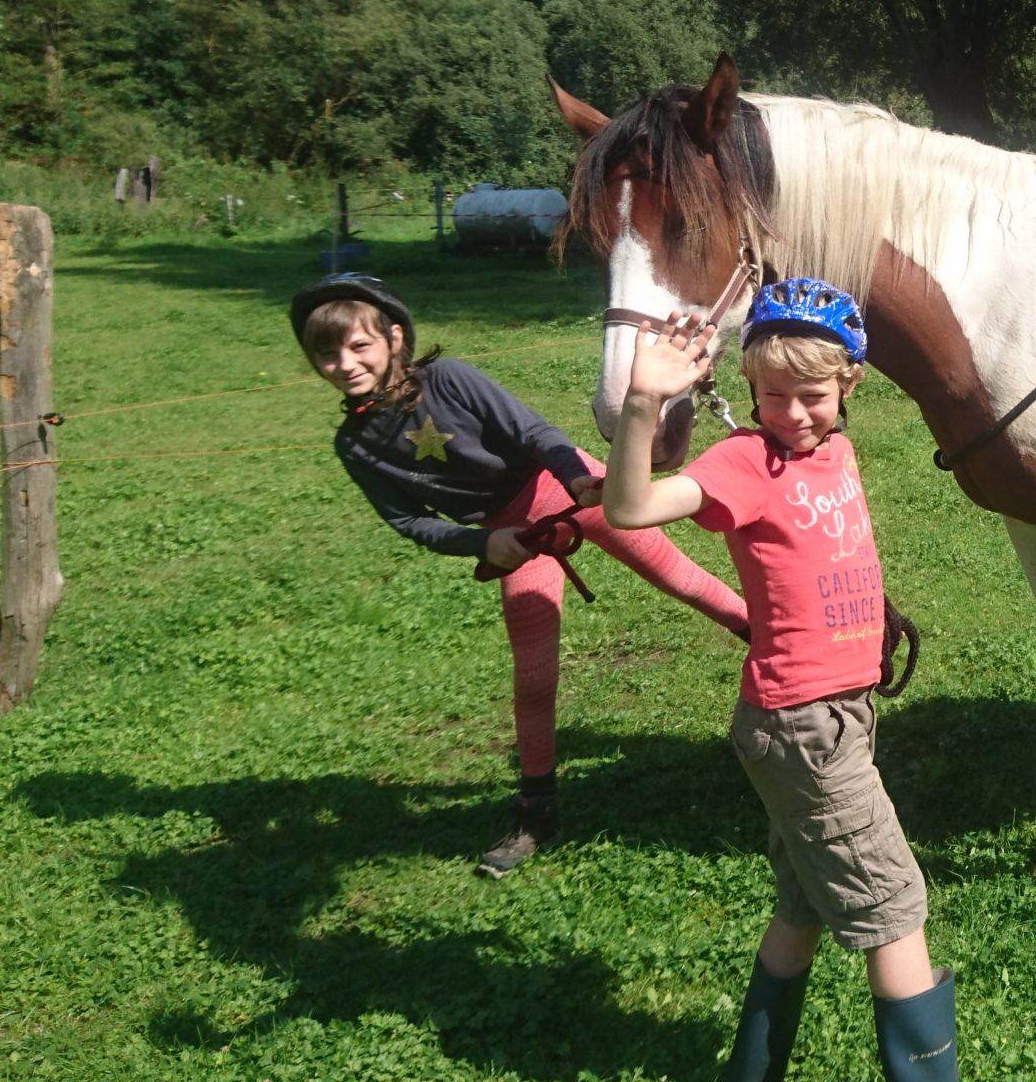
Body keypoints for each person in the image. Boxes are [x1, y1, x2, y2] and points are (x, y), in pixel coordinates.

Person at [603, 277, 1009, 1082]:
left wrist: (869, 616)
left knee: (804, 903)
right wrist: (644, 401)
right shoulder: (742, 463)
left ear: (850, 383)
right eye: (773, 395)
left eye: (812, 396)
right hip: (800, 726)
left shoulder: (837, 454)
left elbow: (824, 554)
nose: (791, 413)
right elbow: (631, 506)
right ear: (749, 386)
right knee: (894, 903)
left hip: (843, 711)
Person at [290, 274, 749, 878]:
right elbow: (408, 521)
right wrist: (484, 542)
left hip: (569, 489)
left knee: (682, 580)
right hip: (515, 539)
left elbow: (535, 435)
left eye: (359, 346)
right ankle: (538, 809)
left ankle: (799, 669)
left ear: (394, 337)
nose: (345, 364)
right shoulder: (355, 445)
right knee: (534, 674)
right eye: (327, 353)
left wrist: (576, 479)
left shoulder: (449, 379)